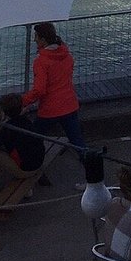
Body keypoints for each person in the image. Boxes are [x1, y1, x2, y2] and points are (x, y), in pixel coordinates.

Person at [22, 21, 87, 159]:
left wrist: (24, 101)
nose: (34, 39)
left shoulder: (41, 61)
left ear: (43, 40)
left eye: (36, 37)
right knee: (78, 142)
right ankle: (94, 174)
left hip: (50, 108)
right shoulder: (67, 56)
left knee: (33, 137)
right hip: (69, 104)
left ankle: (31, 164)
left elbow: (39, 89)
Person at [0, 93, 46, 199]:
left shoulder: (8, 129)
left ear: (4, 112)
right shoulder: (26, 121)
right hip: (38, 162)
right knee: (7, 148)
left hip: (26, 169)